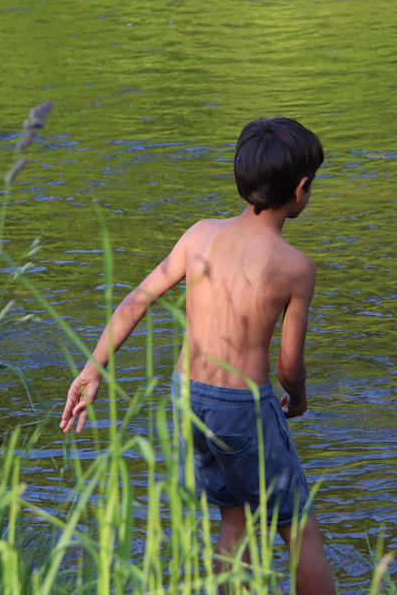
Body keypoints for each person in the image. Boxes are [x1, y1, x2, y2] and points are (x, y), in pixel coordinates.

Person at [60, 117, 335, 595]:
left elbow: (137, 301)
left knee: (236, 518)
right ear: (302, 188)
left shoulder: (200, 234)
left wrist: (92, 369)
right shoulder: (295, 267)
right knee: (297, 526)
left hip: (188, 399)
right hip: (242, 408)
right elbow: (288, 367)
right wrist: (299, 397)